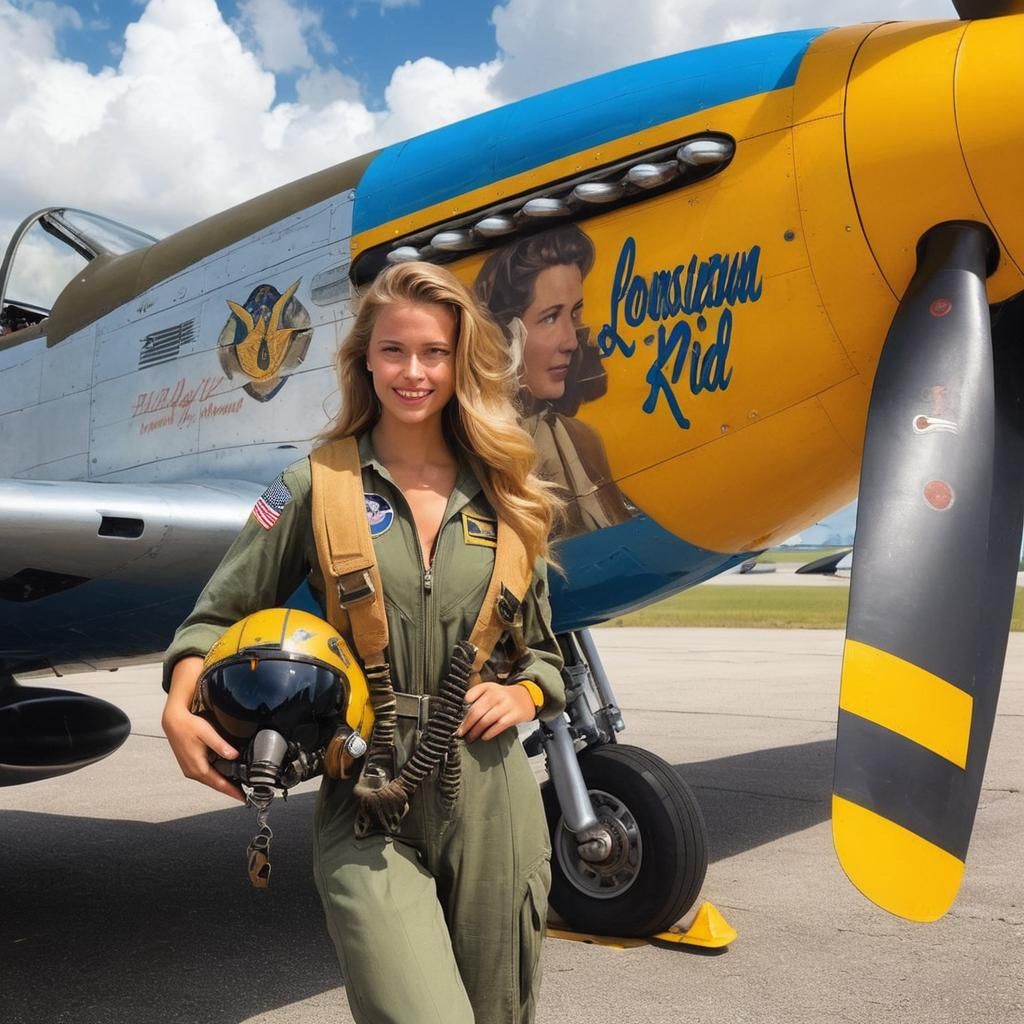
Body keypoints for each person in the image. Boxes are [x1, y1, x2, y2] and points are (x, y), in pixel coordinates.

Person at [161, 262, 566, 1024]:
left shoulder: (509, 489)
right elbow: (214, 618)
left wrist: (524, 691)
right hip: (365, 788)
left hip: (492, 794)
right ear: (364, 360)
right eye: (393, 351)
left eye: (434, 353)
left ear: (459, 361)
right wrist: (180, 704)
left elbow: (546, 654)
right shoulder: (312, 485)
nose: (414, 372)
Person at [474, 224, 635, 538]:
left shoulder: (585, 440)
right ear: (505, 333)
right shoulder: (484, 448)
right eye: (550, 317)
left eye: (574, 315)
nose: (571, 342)